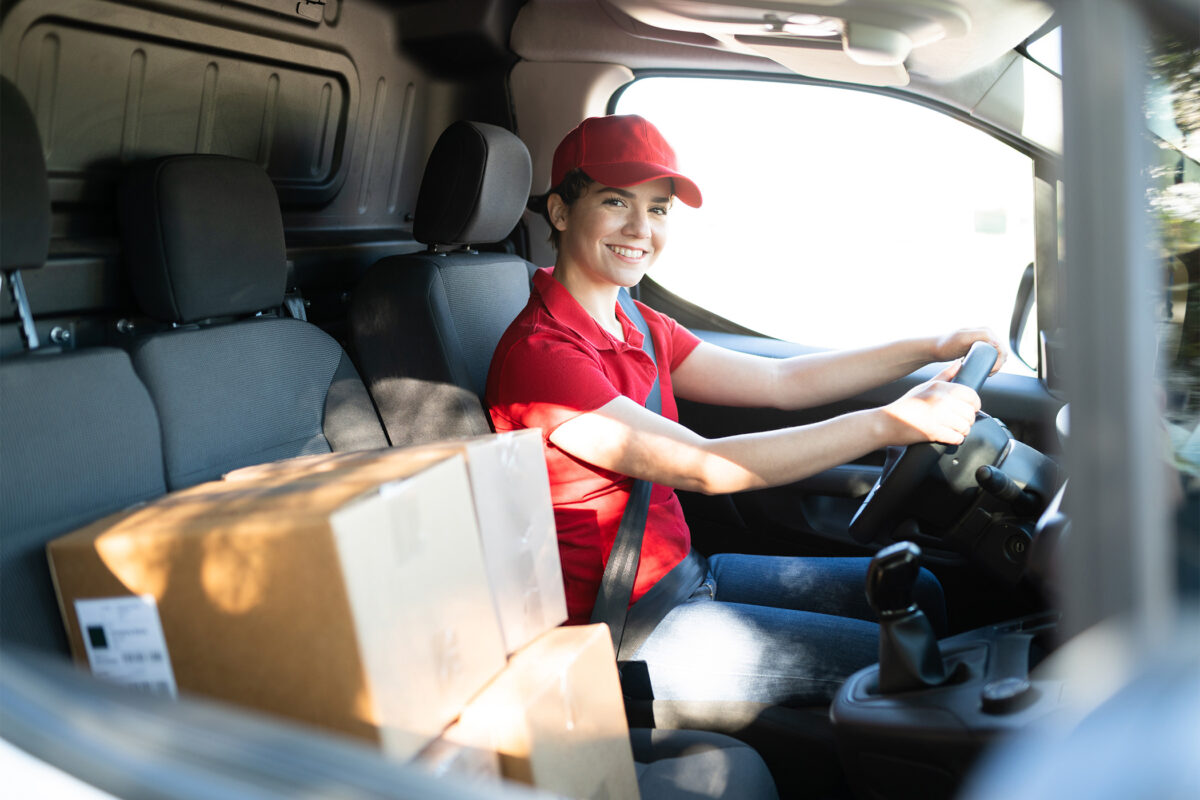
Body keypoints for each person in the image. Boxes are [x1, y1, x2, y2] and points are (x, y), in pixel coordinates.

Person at [485, 114, 1005, 706]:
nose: (640, 227)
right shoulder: (542, 356)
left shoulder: (636, 320)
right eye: (615, 201)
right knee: (896, 667)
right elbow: (703, 465)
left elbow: (781, 379)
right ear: (559, 212)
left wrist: (930, 347)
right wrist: (892, 422)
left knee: (926, 593)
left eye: (658, 210)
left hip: (684, 576)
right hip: (624, 628)